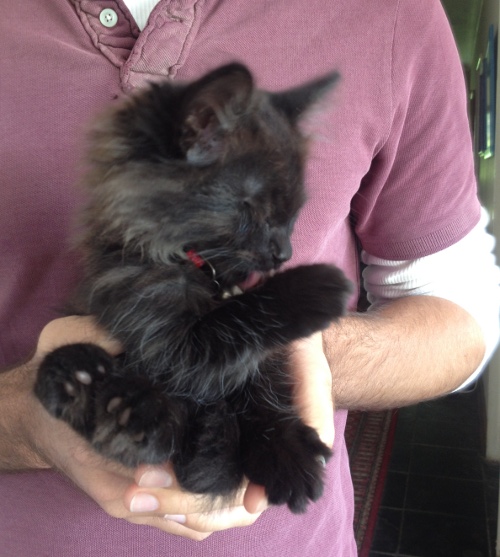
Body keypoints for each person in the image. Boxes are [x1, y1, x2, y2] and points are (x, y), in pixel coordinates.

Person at [1, 0, 499, 555]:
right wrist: (19, 420)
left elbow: (459, 306)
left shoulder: (393, 15)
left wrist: (302, 358)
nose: (282, 250)